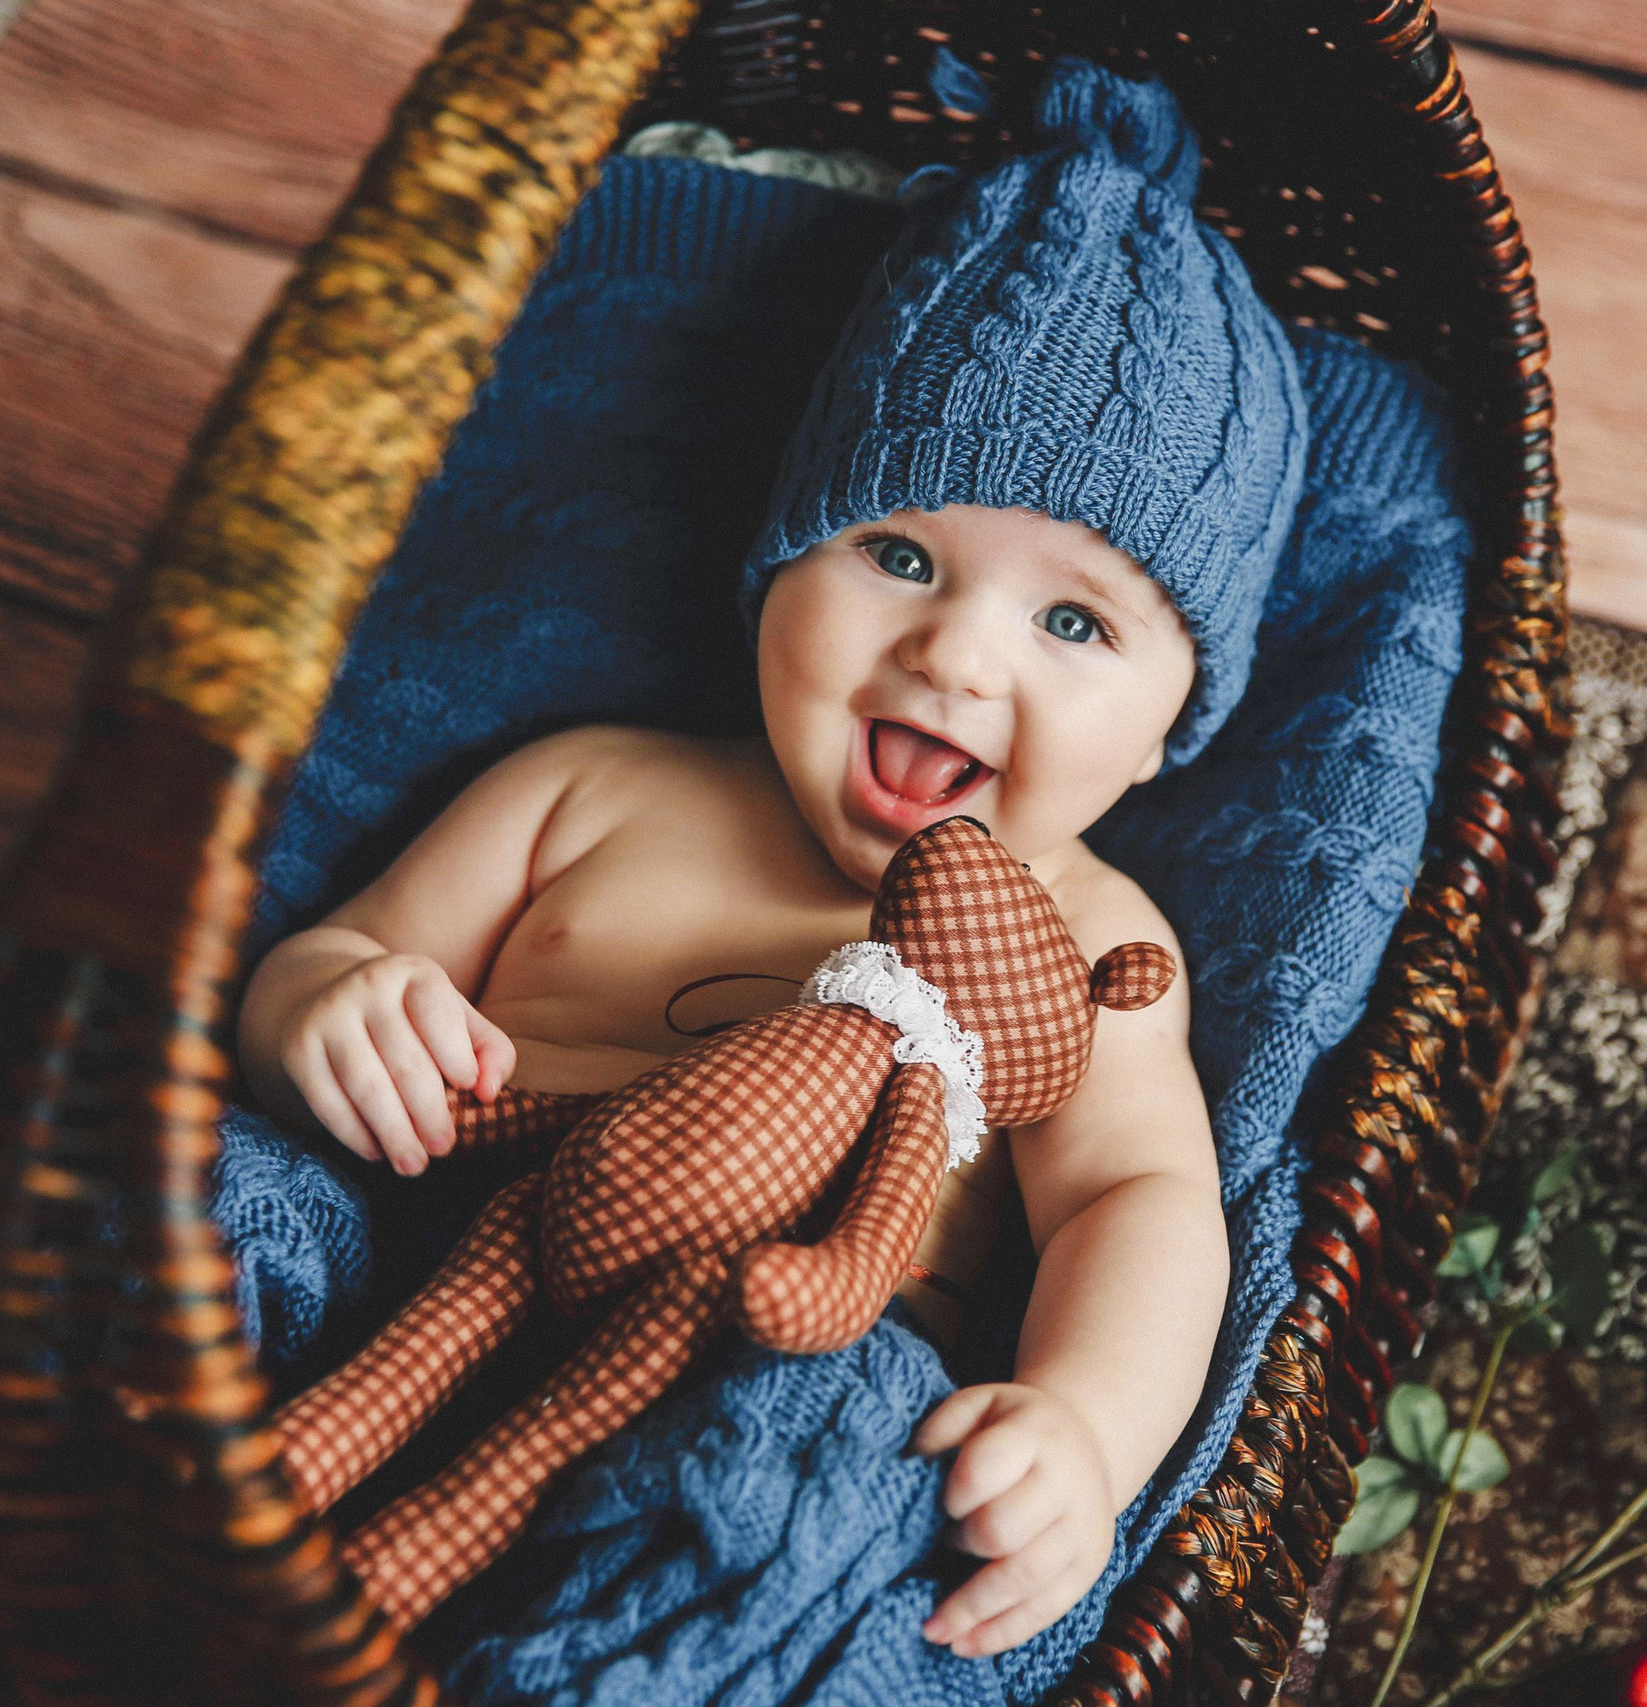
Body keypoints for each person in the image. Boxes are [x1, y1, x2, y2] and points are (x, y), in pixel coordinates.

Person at [232, 53, 1308, 1661]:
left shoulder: (1093, 942)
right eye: (898, 552)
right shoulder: (591, 789)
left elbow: (1133, 1202)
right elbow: (330, 956)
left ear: (1170, 729)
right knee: (212, 1204)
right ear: (776, 573)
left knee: (828, 1464)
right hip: (420, 1305)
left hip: (776, 1391)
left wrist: (1083, 1427)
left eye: (1075, 623)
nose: (957, 655)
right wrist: (328, 1010)